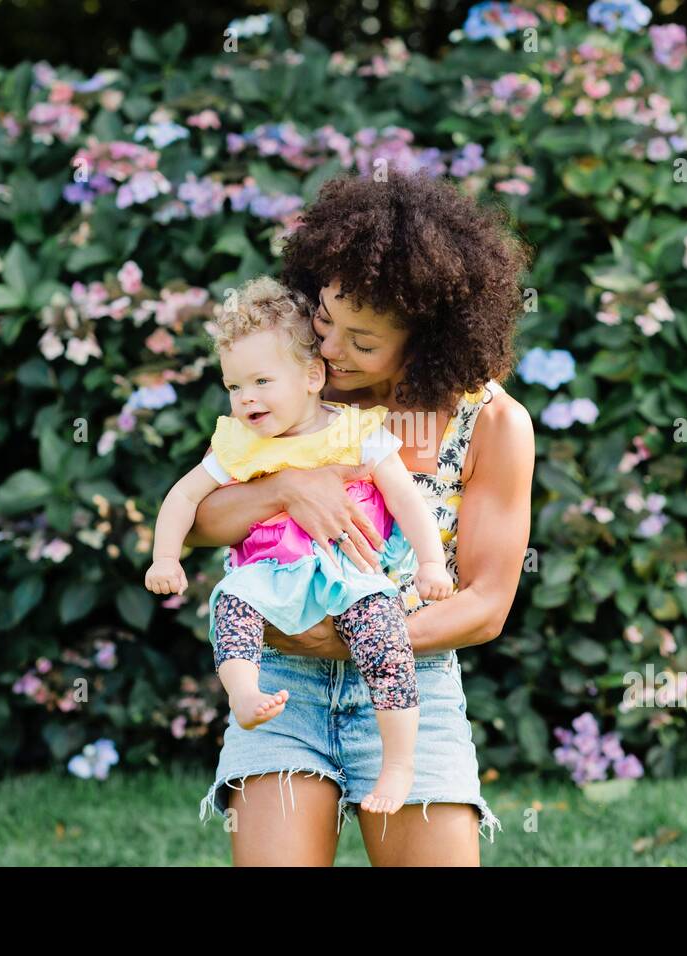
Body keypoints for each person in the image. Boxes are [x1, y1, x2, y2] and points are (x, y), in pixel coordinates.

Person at [193, 171, 535, 866]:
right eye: (324, 319)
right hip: (282, 684)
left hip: (411, 681)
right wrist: (286, 487)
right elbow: (199, 520)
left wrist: (361, 644)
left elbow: (487, 606)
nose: (331, 351)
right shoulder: (286, 390)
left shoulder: (491, 422)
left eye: (364, 341)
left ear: (427, 341)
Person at [146, 276, 453, 814]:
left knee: (387, 647)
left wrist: (430, 563)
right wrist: (165, 556)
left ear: (313, 377)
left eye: (261, 381)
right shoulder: (240, 444)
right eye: (235, 386)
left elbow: (406, 500)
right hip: (272, 576)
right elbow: (183, 497)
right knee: (232, 605)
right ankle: (244, 694)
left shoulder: (356, 431)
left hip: (353, 575)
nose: (246, 399)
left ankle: (400, 763)